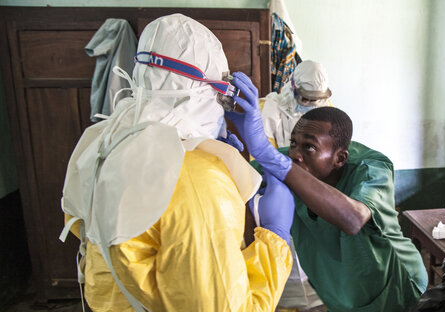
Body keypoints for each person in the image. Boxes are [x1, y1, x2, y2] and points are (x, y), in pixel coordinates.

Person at [59, 14, 295, 312]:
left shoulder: (103, 139)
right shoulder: (199, 182)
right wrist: (275, 238)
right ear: (204, 91)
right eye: (222, 91)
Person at [226, 77, 428, 311]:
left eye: (309, 147)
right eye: (293, 143)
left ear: (340, 158)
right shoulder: (295, 161)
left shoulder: (371, 168)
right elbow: (240, 177)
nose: (296, 154)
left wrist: (268, 155)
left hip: (396, 286)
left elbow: (353, 219)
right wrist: (225, 150)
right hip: (340, 294)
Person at [261, 60, 332, 148]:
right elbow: (262, 152)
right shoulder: (270, 109)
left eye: (316, 100)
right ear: (293, 87)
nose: (310, 104)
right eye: (305, 98)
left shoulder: (327, 108)